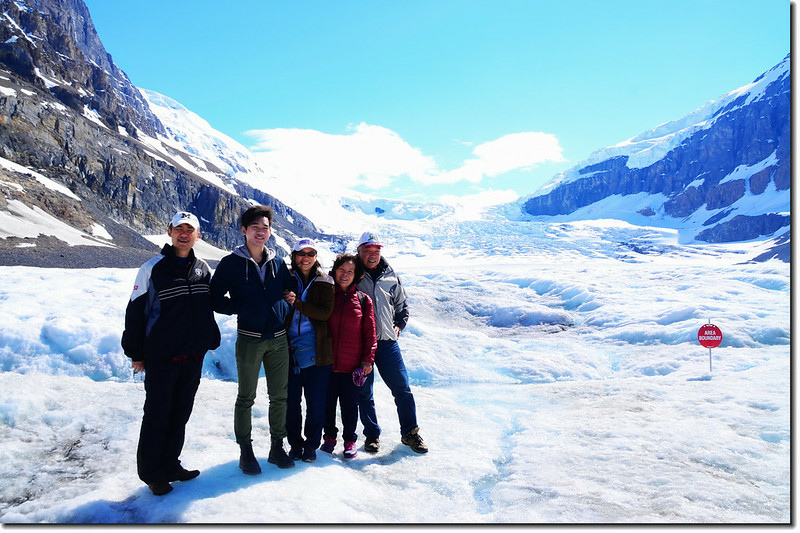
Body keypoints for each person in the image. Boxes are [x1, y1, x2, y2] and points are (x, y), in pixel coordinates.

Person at [121, 211, 221, 496]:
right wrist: (136, 353)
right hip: (162, 356)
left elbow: (206, 308)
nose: (184, 233)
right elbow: (136, 313)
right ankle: (153, 473)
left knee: (179, 414)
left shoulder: (202, 268)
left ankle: (171, 464)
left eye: (190, 229)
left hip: (192, 356)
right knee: (157, 415)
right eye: (179, 228)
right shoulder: (152, 268)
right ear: (169, 231)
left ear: (198, 235)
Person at [210, 205, 295, 473]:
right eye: (255, 227)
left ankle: (276, 447)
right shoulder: (231, 263)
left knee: (280, 396)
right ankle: (245, 451)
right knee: (246, 397)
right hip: (250, 339)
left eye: (265, 227)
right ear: (244, 230)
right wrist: (239, 307)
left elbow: (288, 288)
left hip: (278, 339)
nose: (261, 232)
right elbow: (213, 297)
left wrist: (288, 301)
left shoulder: (278, 262)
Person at [355, 231, 428, 454]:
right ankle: (372, 436)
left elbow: (402, 306)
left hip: (387, 342)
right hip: (360, 345)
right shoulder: (353, 273)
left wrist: (399, 325)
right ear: (359, 252)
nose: (372, 255)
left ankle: (410, 433)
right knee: (364, 393)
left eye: (376, 250)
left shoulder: (390, 275)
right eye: (367, 250)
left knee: (402, 389)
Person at [282, 238, 335, 463]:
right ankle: (295, 444)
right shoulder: (284, 278)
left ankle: (311, 444)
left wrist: (298, 304)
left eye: (310, 254)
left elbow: (325, 313)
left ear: (315, 257)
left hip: (318, 350)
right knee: (291, 401)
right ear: (294, 256)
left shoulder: (325, 282)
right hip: (288, 350)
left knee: (315, 401)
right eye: (301, 253)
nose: (305, 258)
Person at [320, 254, 376, 459]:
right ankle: (329, 438)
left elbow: (370, 332)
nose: (345, 274)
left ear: (357, 276)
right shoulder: (326, 295)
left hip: (352, 366)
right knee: (327, 403)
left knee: (350, 406)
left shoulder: (363, 300)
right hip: (326, 362)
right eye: (342, 270)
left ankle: (350, 440)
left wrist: (368, 359)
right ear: (334, 271)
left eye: (350, 271)